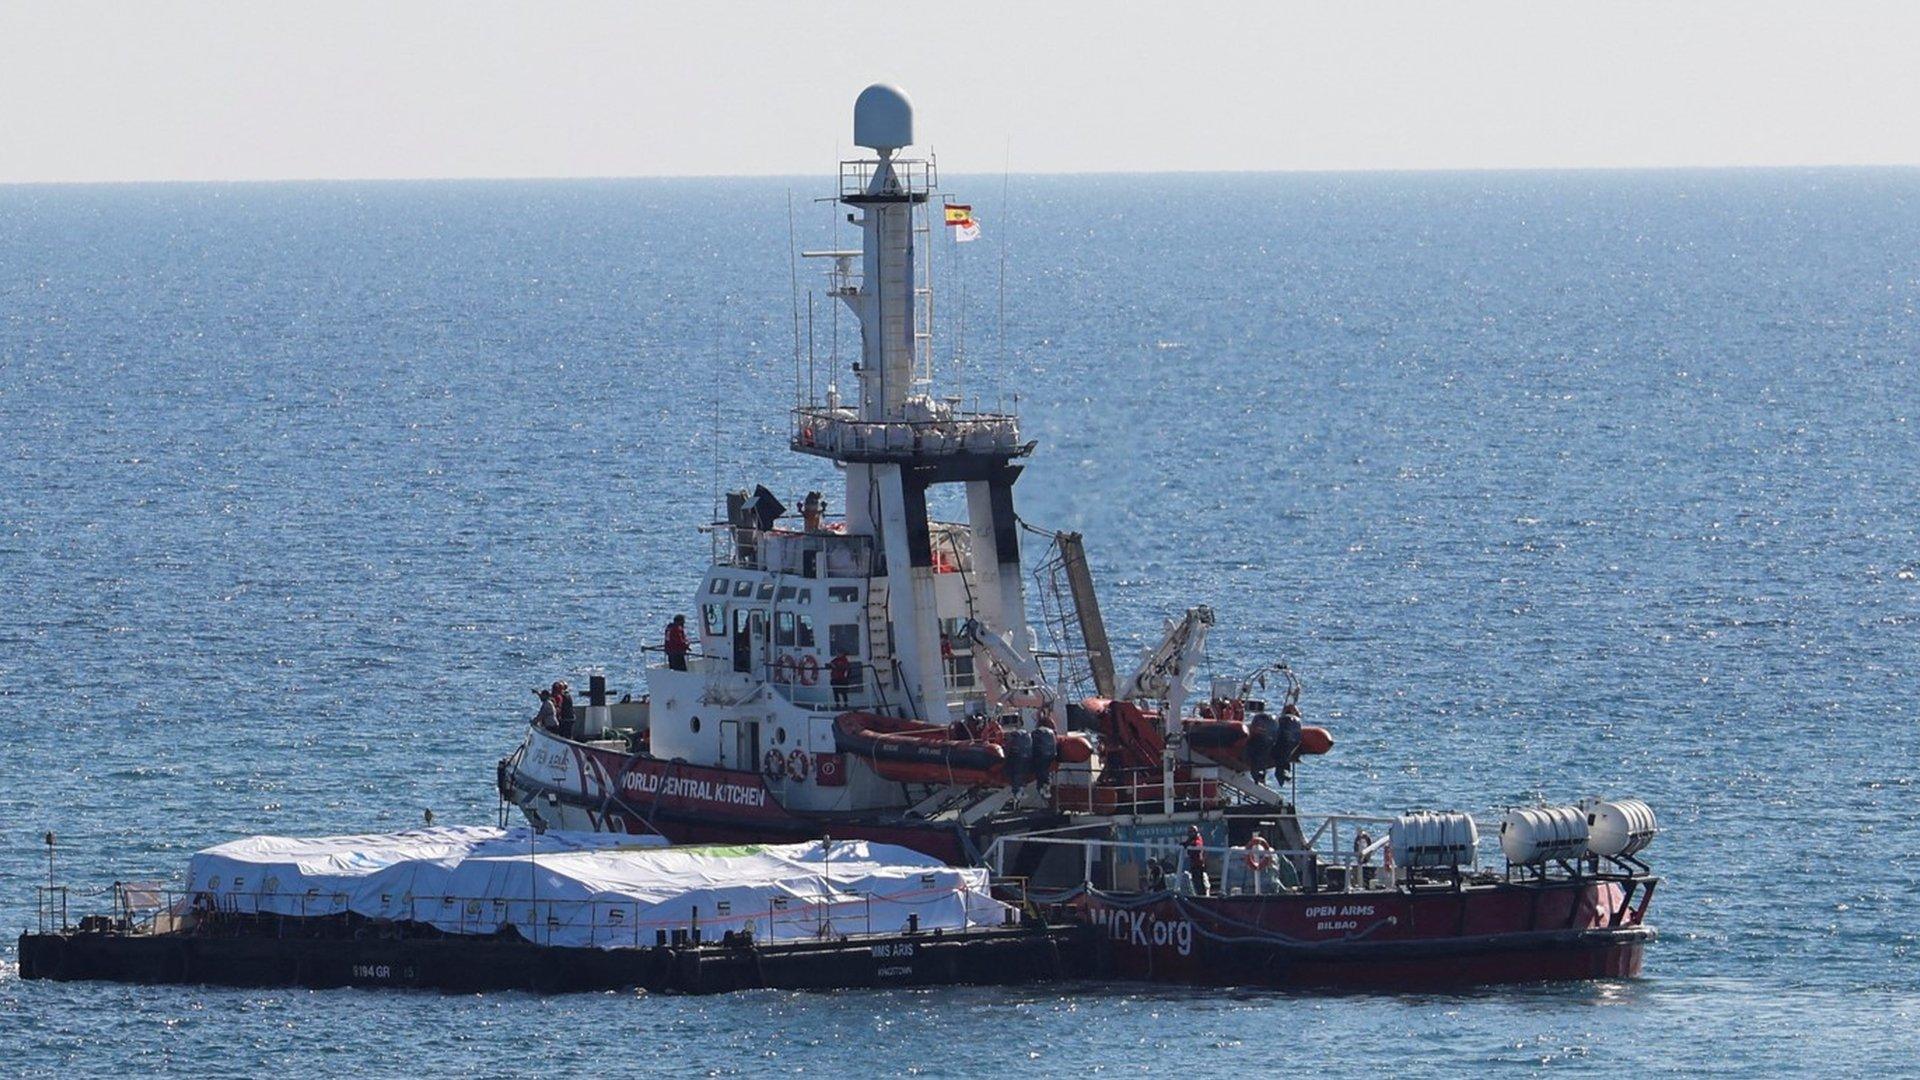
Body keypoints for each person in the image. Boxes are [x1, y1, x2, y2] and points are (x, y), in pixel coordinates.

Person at [1181, 825, 1212, 897]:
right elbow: (1186, 843)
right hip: (1193, 865)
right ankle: (1199, 895)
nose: (1190, 833)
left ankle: (1203, 897)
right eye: (1189, 832)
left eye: (1192, 831)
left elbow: (1197, 846)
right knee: (1195, 883)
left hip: (1198, 865)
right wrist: (1184, 844)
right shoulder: (1190, 839)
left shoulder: (1198, 839)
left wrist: (1190, 845)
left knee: (1199, 883)